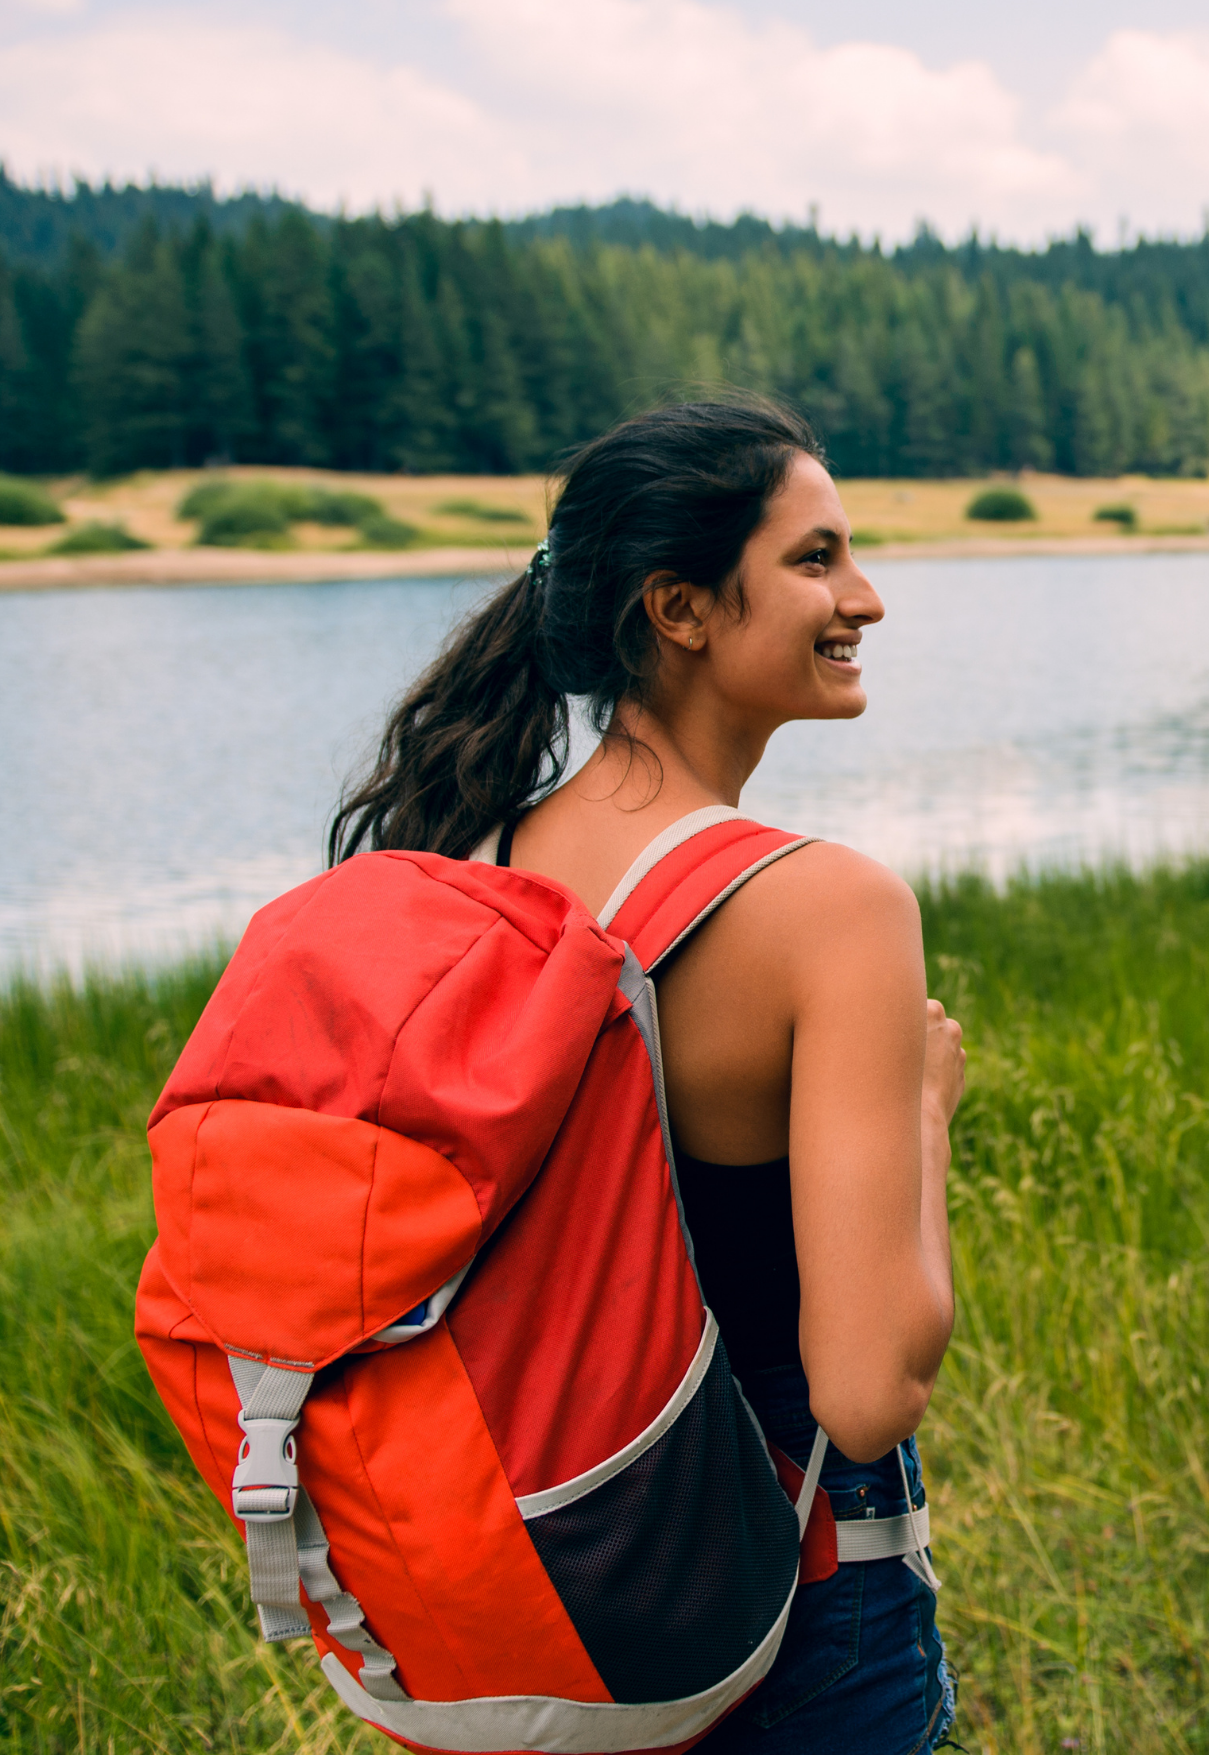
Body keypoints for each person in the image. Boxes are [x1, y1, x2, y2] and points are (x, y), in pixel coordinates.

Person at [328, 398, 963, 1753]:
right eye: (815, 559)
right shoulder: (828, 910)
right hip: (791, 1606)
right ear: (680, 608)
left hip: (547, 1596)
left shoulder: (473, 868)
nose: (867, 598)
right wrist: (922, 1119)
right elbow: (866, 1392)